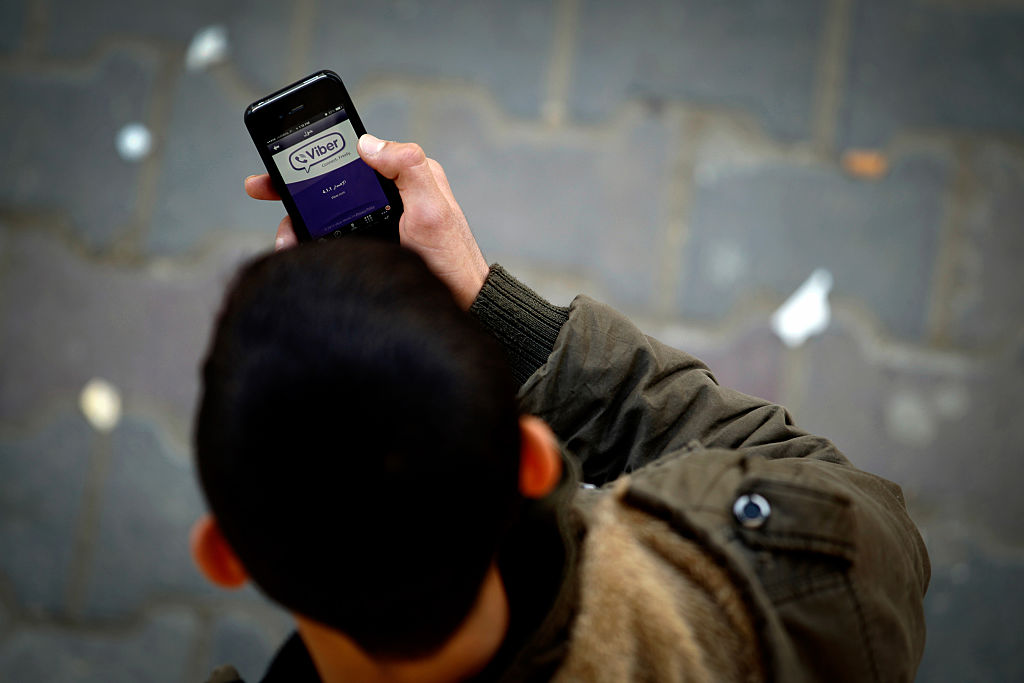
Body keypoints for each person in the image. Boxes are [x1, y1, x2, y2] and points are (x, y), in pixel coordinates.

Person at [191, 135, 930, 683]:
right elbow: (860, 515)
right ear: (535, 460)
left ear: (224, 554)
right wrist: (499, 315)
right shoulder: (767, 599)